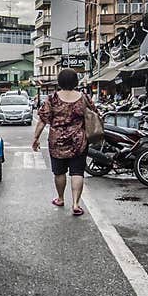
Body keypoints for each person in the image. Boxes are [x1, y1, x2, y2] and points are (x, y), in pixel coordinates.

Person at [32, 68, 92, 215]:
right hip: (79, 141)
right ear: (76, 81)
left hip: (57, 141)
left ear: (59, 81)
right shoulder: (83, 97)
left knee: (59, 172)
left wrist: (36, 138)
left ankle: (60, 198)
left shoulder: (52, 98)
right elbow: (94, 114)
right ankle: (76, 204)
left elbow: (42, 120)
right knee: (77, 172)